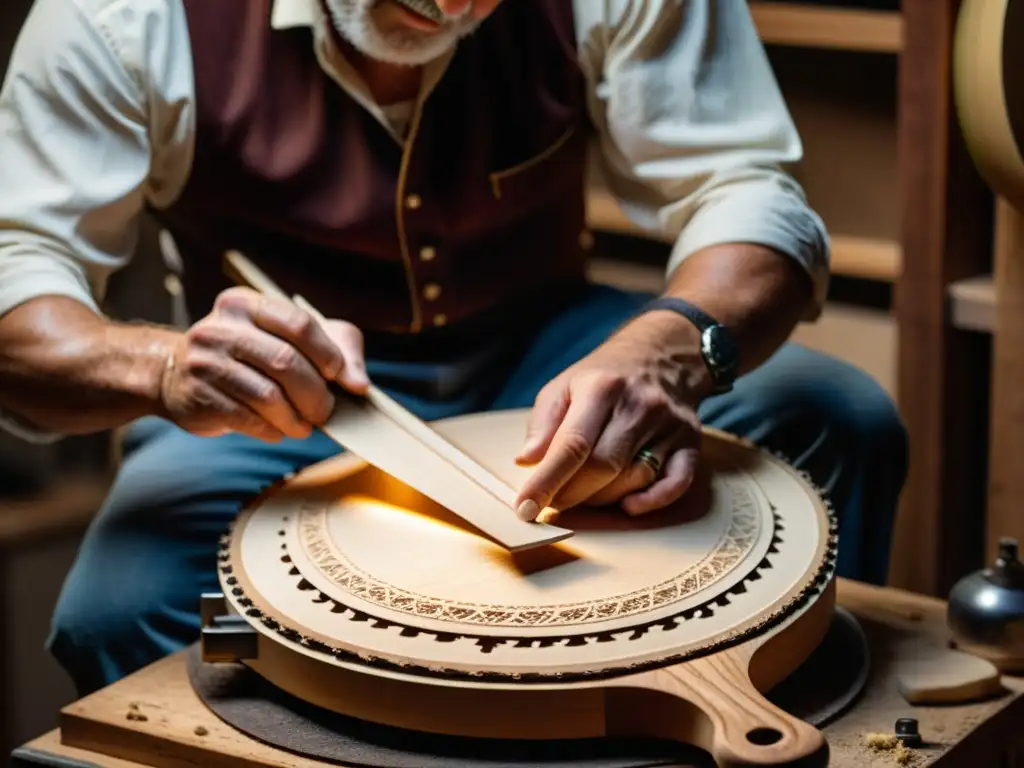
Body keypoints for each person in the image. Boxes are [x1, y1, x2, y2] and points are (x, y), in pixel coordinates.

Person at [0, 0, 907, 696]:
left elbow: (741, 185)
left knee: (837, 416)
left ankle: (735, 717)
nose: (455, 7)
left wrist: (669, 348)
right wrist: (163, 369)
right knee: (120, 606)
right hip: (278, 398)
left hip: (550, 346)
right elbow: (15, 280)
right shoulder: (124, 17)